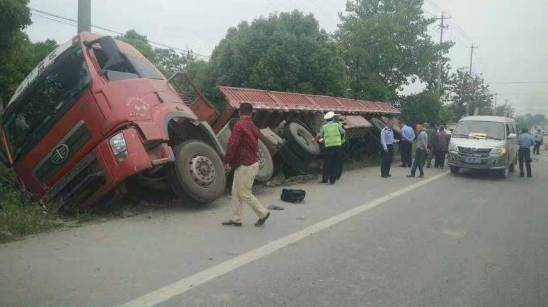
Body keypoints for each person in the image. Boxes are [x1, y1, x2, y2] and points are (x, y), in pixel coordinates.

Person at [222, 103, 271, 227]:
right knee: (235, 191)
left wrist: (227, 161)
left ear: (239, 112)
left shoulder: (239, 125)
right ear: (251, 112)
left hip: (246, 165)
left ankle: (263, 213)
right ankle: (236, 218)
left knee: (244, 193)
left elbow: (232, 144)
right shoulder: (251, 125)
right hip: (247, 164)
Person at [318, 111, 345, 184]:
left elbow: (320, 136)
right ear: (332, 118)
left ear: (326, 119)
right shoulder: (337, 125)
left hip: (328, 147)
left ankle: (325, 179)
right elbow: (342, 132)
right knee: (335, 163)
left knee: (327, 163)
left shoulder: (324, 127)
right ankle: (332, 179)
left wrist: (322, 139)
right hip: (337, 146)